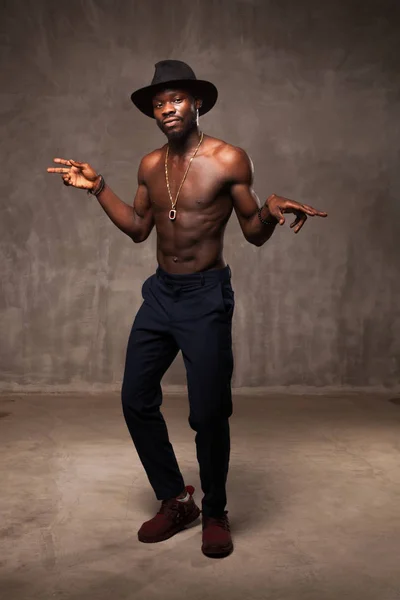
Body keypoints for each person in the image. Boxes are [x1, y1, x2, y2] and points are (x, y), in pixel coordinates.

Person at [47, 60, 327, 559]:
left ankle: (215, 510)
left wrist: (271, 210)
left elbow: (253, 234)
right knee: (135, 398)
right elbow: (138, 229)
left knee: (209, 413)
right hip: (161, 295)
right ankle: (177, 500)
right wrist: (96, 188)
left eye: (175, 99)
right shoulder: (150, 166)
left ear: (197, 103)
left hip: (205, 296)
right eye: (158, 104)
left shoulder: (228, 159)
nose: (166, 109)